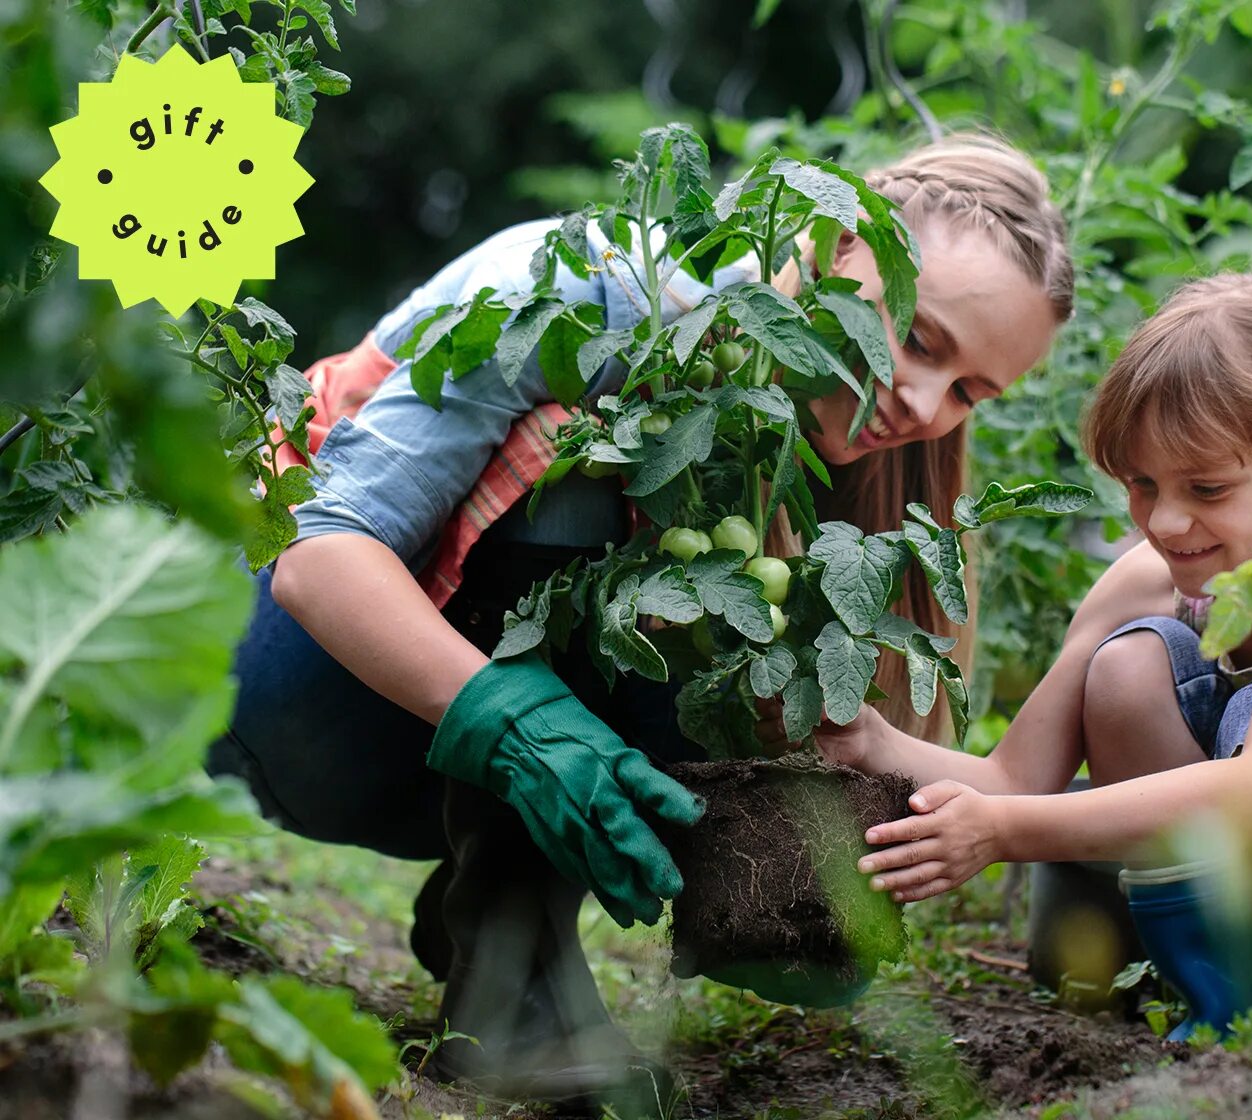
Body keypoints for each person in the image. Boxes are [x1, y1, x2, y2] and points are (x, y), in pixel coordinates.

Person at [205, 132, 1074, 1104]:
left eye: (970, 392)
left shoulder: (831, 444)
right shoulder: (598, 297)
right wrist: (515, 723)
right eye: (916, 340)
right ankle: (516, 993)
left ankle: (491, 927)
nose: (921, 400)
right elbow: (319, 560)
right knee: (588, 451)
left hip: (433, 750)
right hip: (281, 687)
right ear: (836, 244)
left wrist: (792, 854)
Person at [808, 272, 1252, 1037]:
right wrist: (871, 742)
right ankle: (1221, 1016)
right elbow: (1015, 779)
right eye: (1142, 484)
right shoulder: (1150, 579)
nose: (1167, 522)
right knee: (1127, 670)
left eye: (1207, 488)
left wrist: (1001, 833)